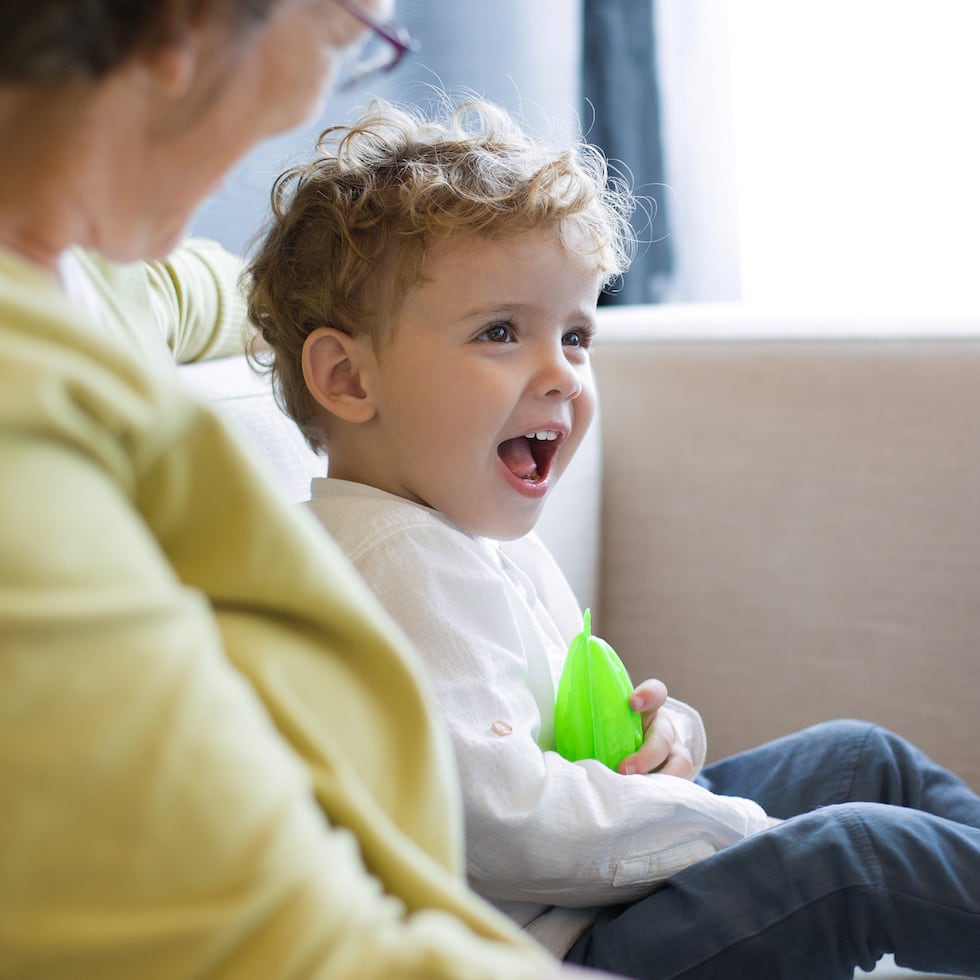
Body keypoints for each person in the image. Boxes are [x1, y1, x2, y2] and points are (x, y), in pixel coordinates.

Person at [246, 95, 980, 980]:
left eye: (577, 334)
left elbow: (565, 737)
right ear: (346, 377)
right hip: (562, 945)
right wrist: (728, 824)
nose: (560, 372)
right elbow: (504, 822)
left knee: (860, 757)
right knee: (851, 860)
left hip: (601, 888)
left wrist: (663, 737)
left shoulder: (472, 528)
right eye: (501, 332)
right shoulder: (385, 566)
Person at [0, 4, 605, 978]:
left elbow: (222, 290)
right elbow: (291, 950)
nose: (325, 91)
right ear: (184, 26)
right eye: (347, 34)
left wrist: (375, 303)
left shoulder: (92, 268)